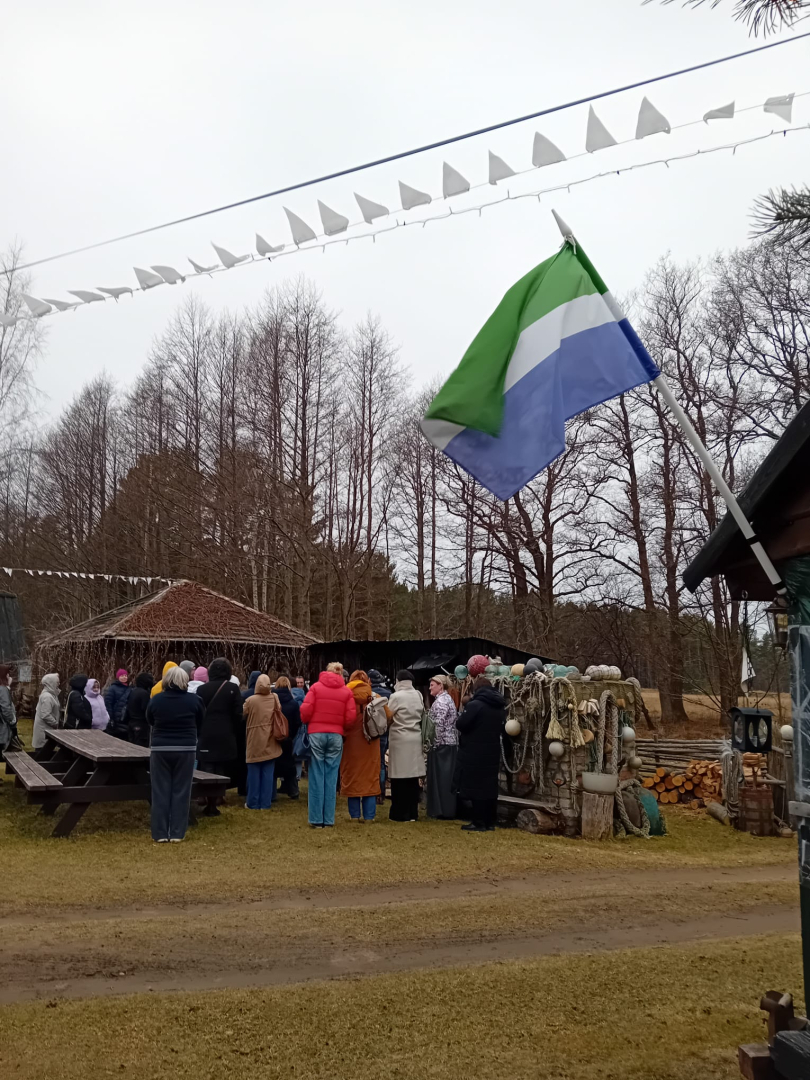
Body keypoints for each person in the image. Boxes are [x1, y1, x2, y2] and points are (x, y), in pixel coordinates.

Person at [146, 664, 204, 842]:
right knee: (181, 790)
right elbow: (200, 722)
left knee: (160, 790)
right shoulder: (195, 701)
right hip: (186, 748)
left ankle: (160, 833)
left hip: (160, 748)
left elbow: (150, 720)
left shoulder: (156, 700)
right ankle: (177, 832)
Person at [300, 661, 354, 828]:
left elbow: (305, 711)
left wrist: (308, 722)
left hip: (316, 733)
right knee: (331, 777)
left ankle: (316, 819)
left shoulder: (315, 688)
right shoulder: (346, 692)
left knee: (316, 775)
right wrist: (341, 727)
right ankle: (328, 819)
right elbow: (351, 718)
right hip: (336, 735)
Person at [455, 676, 506, 832]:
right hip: (492, 750)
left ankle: (478, 822)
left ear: (476, 690)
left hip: (475, 750)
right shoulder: (499, 705)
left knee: (476, 786)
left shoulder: (475, 705)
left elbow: (461, 724)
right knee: (489, 786)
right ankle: (490, 821)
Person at [196, 657, 244, 811]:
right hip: (226, 733)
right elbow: (238, 714)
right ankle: (218, 797)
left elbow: (198, 713)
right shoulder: (232, 688)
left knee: (208, 766)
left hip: (207, 732)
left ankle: (207, 797)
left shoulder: (202, 689)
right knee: (222, 766)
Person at [340, 670, 381, 822]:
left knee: (352, 777)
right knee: (369, 778)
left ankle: (355, 815)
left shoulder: (345, 697)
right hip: (371, 742)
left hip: (350, 744)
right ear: (367, 681)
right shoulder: (375, 697)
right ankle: (369, 816)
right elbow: (388, 716)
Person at [386, 670, 426, 822]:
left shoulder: (396, 697)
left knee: (399, 778)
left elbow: (388, 716)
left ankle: (399, 813)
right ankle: (412, 813)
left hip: (399, 738)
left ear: (398, 681)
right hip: (415, 737)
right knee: (412, 778)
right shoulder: (418, 695)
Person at [243, 674, 285, 809]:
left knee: (254, 772)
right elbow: (279, 710)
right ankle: (266, 803)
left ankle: (252, 802)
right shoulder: (274, 698)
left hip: (254, 739)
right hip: (271, 737)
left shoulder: (250, 700)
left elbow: (243, 714)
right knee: (268, 772)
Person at [426, 675, 459, 819]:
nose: (429, 688)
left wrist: (433, 745)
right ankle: (445, 809)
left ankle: (442, 810)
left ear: (440, 685)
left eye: (432, 685)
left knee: (442, 779)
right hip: (449, 743)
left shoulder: (440, 703)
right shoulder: (447, 699)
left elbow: (438, 726)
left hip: (443, 746)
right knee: (446, 778)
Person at [273, 676, 301, 799]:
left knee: (273, 763)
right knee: (290, 764)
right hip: (288, 737)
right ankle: (293, 790)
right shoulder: (294, 703)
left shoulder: (271, 701)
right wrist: (291, 734)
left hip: (273, 736)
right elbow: (297, 722)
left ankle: (272, 791)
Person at [368, 668, 391, 804]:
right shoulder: (388, 694)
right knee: (381, 762)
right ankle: (380, 792)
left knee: (371, 762)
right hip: (384, 733)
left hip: (371, 733)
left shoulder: (369, 694)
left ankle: (371, 790)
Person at [32, 673, 61, 752]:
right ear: (51, 683)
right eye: (57, 682)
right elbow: (45, 715)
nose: (59, 684)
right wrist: (55, 724)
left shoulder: (52, 695)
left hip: (48, 729)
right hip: (44, 730)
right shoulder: (47, 696)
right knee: (42, 753)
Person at [126, 672, 155, 746]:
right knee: (141, 747)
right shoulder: (144, 694)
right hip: (141, 724)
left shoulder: (133, 691)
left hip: (131, 723)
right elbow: (146, 709)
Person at [104, 669, 131, 737]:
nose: (124, 677)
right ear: (118, 677)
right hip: (116, 716)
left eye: (125, 675)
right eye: (122, 676)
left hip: (124, 716)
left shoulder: (129, 688)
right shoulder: (113, 688)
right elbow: (108, 703)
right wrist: (111, 717)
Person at [0, 664, 17, 754]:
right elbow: (6, 709)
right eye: (7, 674)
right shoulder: (2, 690)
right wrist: (12, 722)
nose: (9, 676)